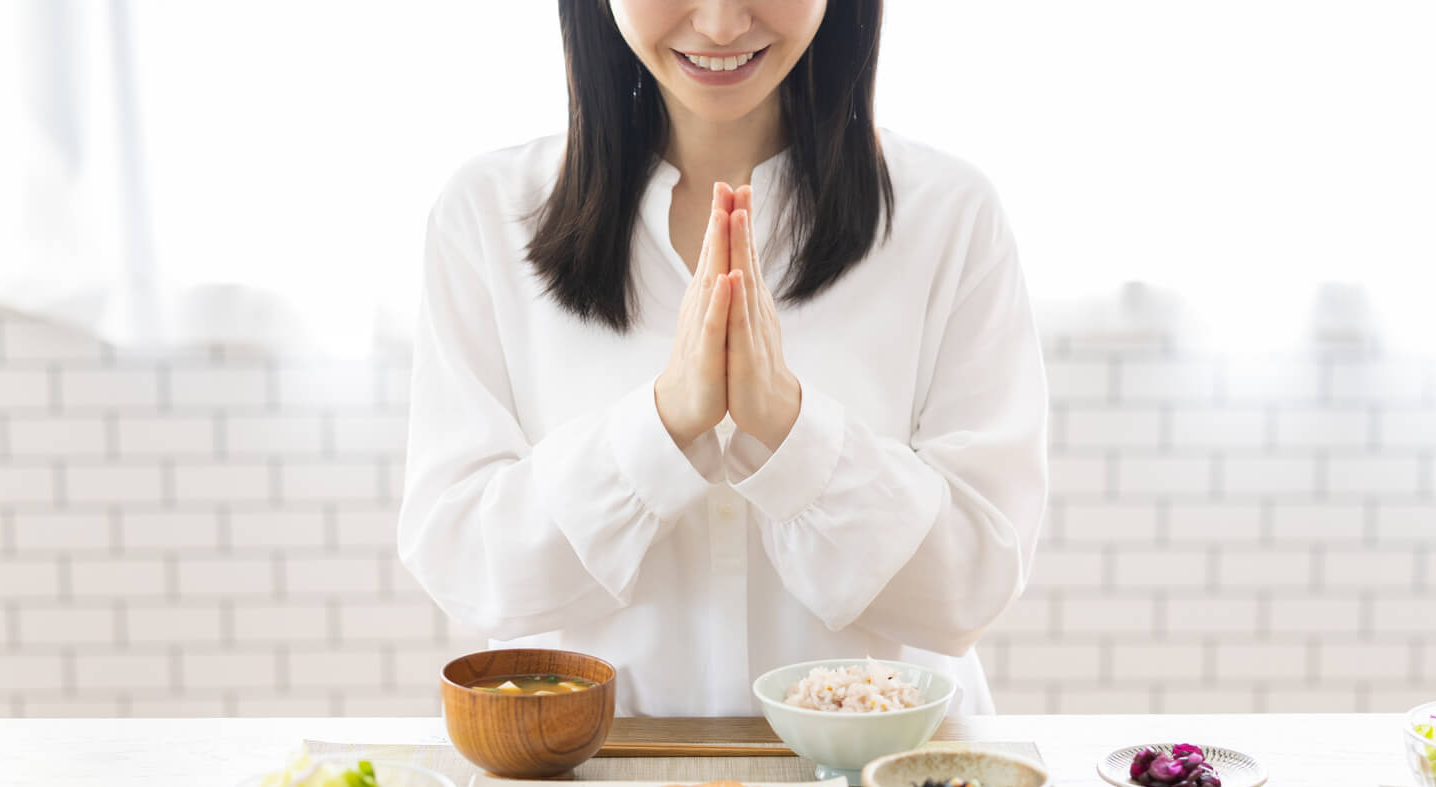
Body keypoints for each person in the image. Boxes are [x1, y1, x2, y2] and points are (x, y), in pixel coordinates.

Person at [399, 0, 1047, 716]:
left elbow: (975, 585)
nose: (718, 23)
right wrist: (661, 425)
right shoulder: (487, 214)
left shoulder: (948, 215)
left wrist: (791, 430)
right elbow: (465, 566)